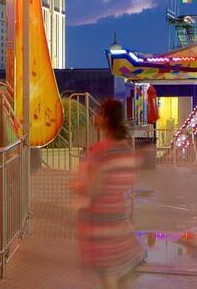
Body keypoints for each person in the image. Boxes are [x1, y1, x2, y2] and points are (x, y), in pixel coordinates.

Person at [71, 99, 144, 288]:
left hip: (99, 220)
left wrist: (76, 186)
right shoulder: (127, 151)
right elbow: (129, 182)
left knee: (107, 273)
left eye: (98, 112)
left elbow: (92, 190)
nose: (95, 116)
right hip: (119, 217)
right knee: (119, 268)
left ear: (105, 118)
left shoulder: (98, 152)